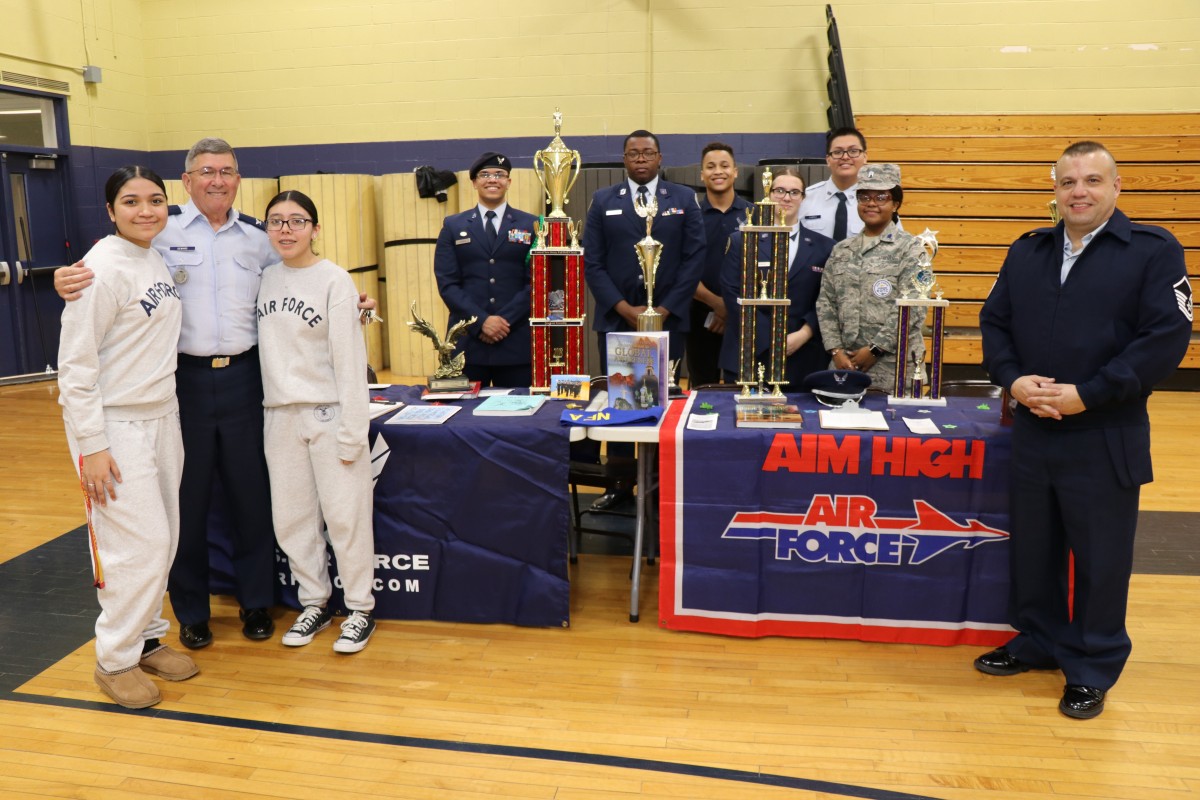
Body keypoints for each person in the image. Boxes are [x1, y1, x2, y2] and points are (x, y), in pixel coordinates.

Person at [55, 137, 377, 650]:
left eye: (227, 171)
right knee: (188, 499)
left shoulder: (258, 237)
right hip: (181, 381)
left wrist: (351, 305)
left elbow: (304, 280)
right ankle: (191, 612)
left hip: (249, 378)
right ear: (186, 181)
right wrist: (66, 278)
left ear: (238, 179)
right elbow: (111, 263)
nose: (217, 180)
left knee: (253, 497)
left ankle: (256, 604)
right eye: (206, 171)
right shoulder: (158, 231)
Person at [975, 141, 1192, 720]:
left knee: (1101, 559)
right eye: (1069, 181)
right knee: (1036, 549)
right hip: (1034, 430)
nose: (1079, 191)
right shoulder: (1028, 251)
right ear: (1055, 189)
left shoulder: (1151, 251)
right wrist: (1014, 381)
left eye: (1092, 180)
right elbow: (994, 322)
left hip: (1104, 431)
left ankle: (1092, 665)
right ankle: (1040, 642)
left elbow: (1165, 339)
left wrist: (1086, 395)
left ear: (1116, 188)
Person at [58, 165, 199, 708]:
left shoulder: (153, 254)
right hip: (113, 426)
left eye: (156, 200)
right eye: (132, 201)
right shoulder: (99, 269)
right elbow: (75, 367)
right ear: (110, 210)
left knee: (165, 535)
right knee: (137, 546)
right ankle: (114, 659)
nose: (147, 210)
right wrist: (92, 445)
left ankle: (146, 638)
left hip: (162, 414)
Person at [258, 190, 377, 654]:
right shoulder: (264, 278)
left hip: (328, 413)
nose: (286, 229)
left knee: (346, 518)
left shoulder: (335, 281)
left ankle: (360, 608)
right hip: (279, 414)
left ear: (315, 228)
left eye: (296, 221)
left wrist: (353, 429)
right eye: (276, 221)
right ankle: (315, 601)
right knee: (292, 519)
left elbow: (350, 361)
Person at [583, 130, 705, 509]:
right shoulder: (603, 200)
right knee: (621, 402)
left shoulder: (683, 199)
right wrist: (624, 308)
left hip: (667, 321)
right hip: (619, 321)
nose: (640, 158)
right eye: (633, 153)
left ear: (659, 157)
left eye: (647, 153)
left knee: (661, 401)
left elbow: (694, 257)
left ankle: (659, 488)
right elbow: (593, 261)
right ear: (624, 158)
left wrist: (663, 309)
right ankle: (618, 486)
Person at [719, 168, 835, 391]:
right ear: (769, 195)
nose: (786, 197)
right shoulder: (741, 240)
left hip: (803, 353)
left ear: (803, 198)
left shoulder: (825, 247)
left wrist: (804, 334)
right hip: (749, 350)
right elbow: (732, 292)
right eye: (779, 190)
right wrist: (773, 340)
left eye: (794, 192)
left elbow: (828, 299)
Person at [815, 163, 925, 392]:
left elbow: (914, 308)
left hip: (893, 370)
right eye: (864, 196)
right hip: (844, 367)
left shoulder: (912, 249)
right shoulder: (842, 250)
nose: (871, 203)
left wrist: (875, 349)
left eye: (881, 197)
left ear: (895, 203)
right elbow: (826, 303)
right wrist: (835, 350)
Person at [433, 152, 536, 388]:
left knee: (517, 416)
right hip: (468, 341)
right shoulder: (453, 225)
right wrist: (482, 321)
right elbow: (448, 283)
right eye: (485, 174)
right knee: (462, 416)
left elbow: (536, 282)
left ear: (509, 182)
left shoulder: (531, 225)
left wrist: (503, 321)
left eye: (500, 174)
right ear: (474, 182)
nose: (493, 179)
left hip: (515, 339)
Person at [689, 142, 753, 388]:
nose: (718, 171)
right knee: (702, 387)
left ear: (735, 171)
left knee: (738, 386)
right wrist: (717, 304)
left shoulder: (754, 215)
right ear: (702, 174)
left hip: (743, 318)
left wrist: (732, 310)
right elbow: (684, 270)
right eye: (711, 166)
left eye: (725, 166)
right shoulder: (691, 217)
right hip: (700, 316)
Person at [799, 127, 870, 242]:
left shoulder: (878, 203)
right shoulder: (805, 198)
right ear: (828, 160)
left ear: (865, 157)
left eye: (853, 151)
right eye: (838, 152)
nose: (845, 157)